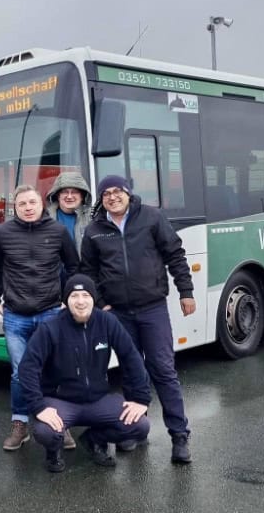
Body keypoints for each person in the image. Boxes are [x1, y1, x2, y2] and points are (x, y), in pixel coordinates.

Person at [79, 175, 196, 464]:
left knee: (163, 370)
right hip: (118, 312)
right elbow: (88, 271)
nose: (112, 197)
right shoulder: (95, 230)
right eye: (106, 193)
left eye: (117, 191)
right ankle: (134, 429)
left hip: (152, 308)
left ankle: (179, 437)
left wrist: (186, 291)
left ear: (128, 193)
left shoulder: (151, 218)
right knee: (132, 372)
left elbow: (175, 255)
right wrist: (102, 304)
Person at [19, 275, 151, 473]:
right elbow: (27, 368)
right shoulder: (50, 328)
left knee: (140, 425)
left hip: (98, 399)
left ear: (93, 298)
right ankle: (53, 452)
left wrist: (141, 399)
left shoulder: (107, 322)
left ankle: (94, 440)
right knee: (46, 431)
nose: (80, 301)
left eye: (85, 295)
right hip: (61, 401)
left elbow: (131, 356)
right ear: (66, 300)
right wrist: (38, 407)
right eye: (74, 296)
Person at [0, 185, 79, 452]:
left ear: (41, 204)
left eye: (32, 202)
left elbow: (74, 267)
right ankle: (20, 424)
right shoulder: (2, 232)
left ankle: (60, 422)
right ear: (15, 208)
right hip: (15, 317)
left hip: (51, 313)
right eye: (22, 204)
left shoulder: (58, 231)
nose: (27, 207)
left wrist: (67, 299)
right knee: (18, 374)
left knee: (53, 371)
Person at [45, 171, 93, 253]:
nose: (69, 196)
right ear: (57, 195)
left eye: (74, 192)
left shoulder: (92, 219)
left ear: (82, 196)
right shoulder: (44, 218)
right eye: (65, 192)